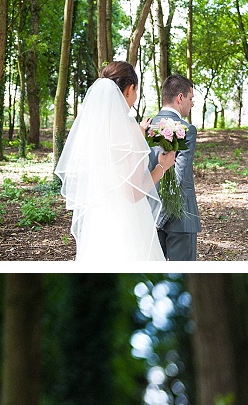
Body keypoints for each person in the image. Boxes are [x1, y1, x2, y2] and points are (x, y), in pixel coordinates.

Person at [54, 62, 173, 262]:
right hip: (128, 224)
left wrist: (139, 132)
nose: (135, 97)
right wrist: (162, 166)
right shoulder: (129, 130)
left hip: (98, 222)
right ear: (129, 89)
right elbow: (134, 193)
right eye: (136, 90)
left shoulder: (93, 132)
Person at [146, 73, 201, 261]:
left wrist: (155, 218)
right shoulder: (186, 129)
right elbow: (181, 175)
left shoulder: (145, 127)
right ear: (180, 98)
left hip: (148, 215)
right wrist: (163, 216)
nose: (192, 103)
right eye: (191, 98)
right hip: (180, 218)